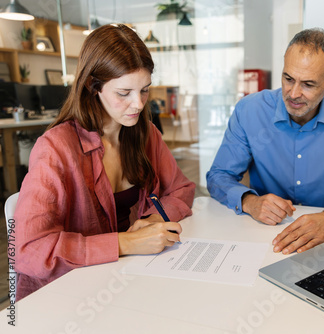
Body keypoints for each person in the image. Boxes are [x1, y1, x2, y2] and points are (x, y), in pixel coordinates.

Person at [14, 24, 195, 301]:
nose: (138, 104)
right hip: (70, 295)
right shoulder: (55, 149)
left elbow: (181, 189)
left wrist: (151, 221)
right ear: (92, 86)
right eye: (124, 93)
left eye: (144, 90)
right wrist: (124, 242)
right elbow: (28, 251)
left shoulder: (146, 135)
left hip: (126, 279)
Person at [207, 28, 324, 256]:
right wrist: (248, 201)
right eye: (288, 79)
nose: (293, 93)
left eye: (308, 84)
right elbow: (218, 177)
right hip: (263, 235)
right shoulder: (249, 110)